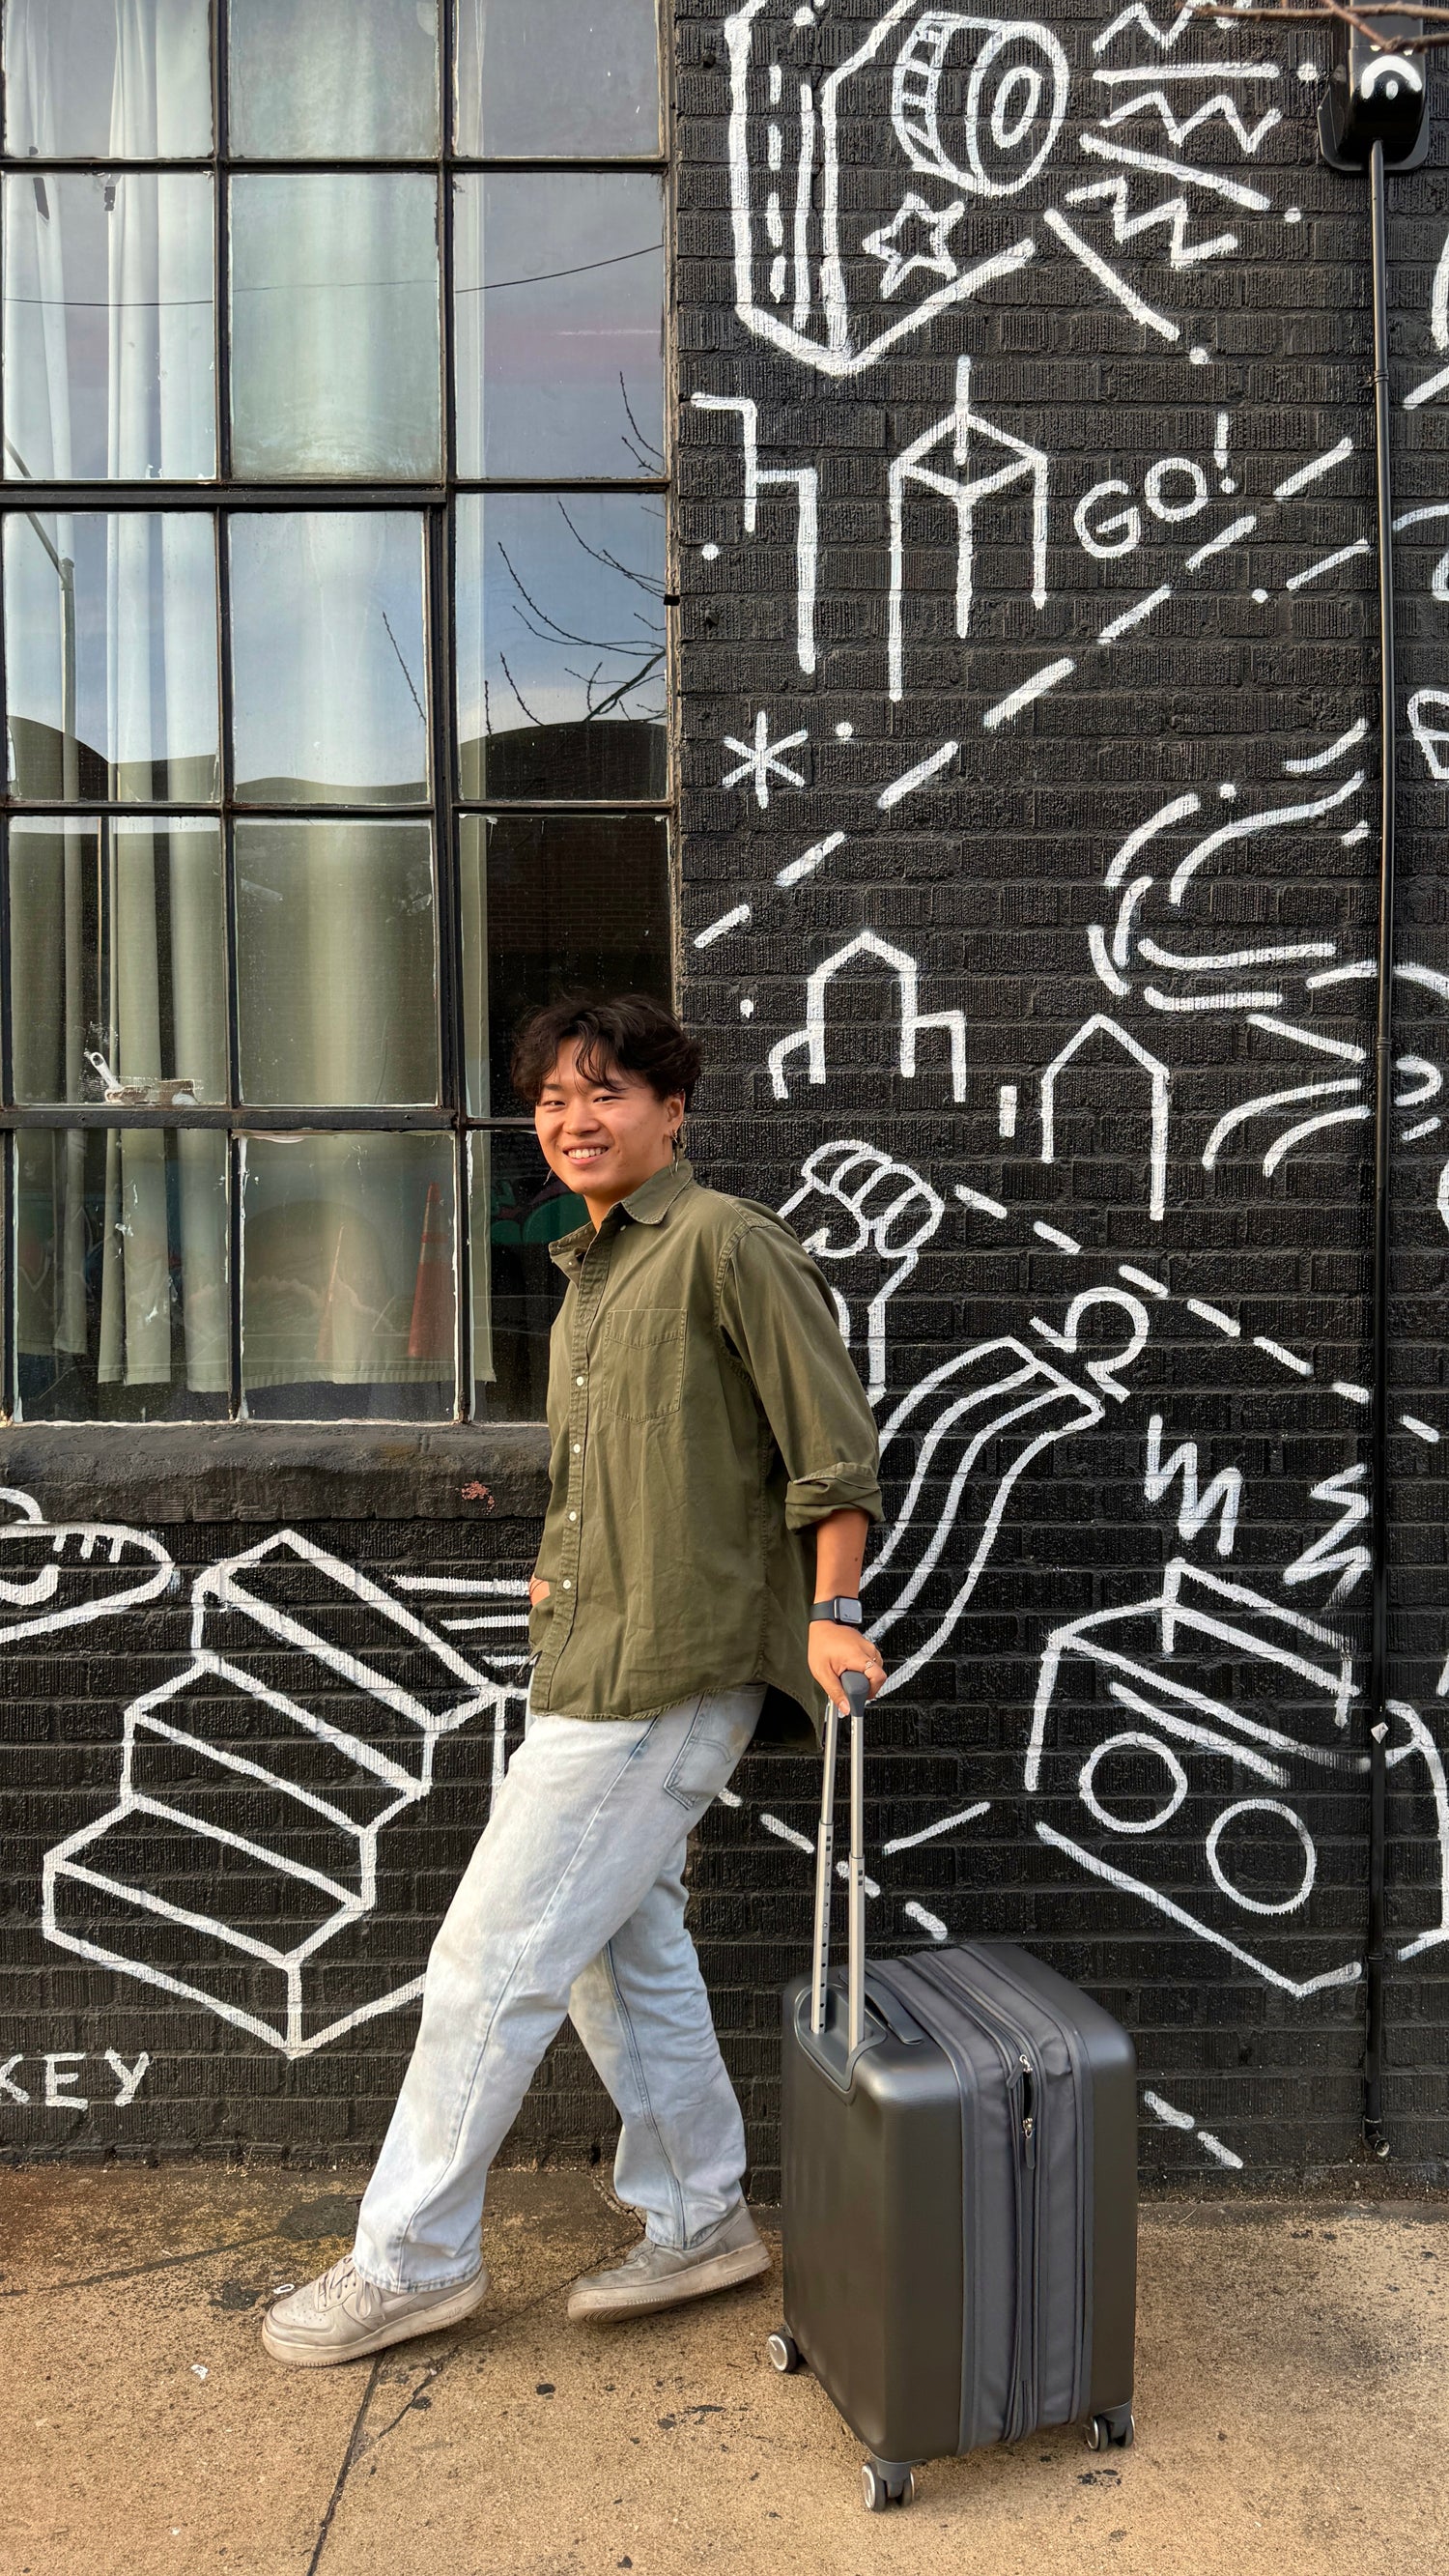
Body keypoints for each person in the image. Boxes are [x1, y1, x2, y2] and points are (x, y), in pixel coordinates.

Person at [264, 993, 886, 2367]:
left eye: (603, 1093)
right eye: (551, 1098)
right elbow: (624, 1467)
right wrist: (561, 1570)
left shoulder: (727, 1244)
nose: (572, 1119)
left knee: (489, 1962)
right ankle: (702, 2215)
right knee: (619, 1954)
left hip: (670, 1675)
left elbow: (832, 1451)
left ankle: (409, 2258)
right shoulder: (589, 1268)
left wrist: (834, 1610)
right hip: (591, 1655)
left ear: (673, 1111)